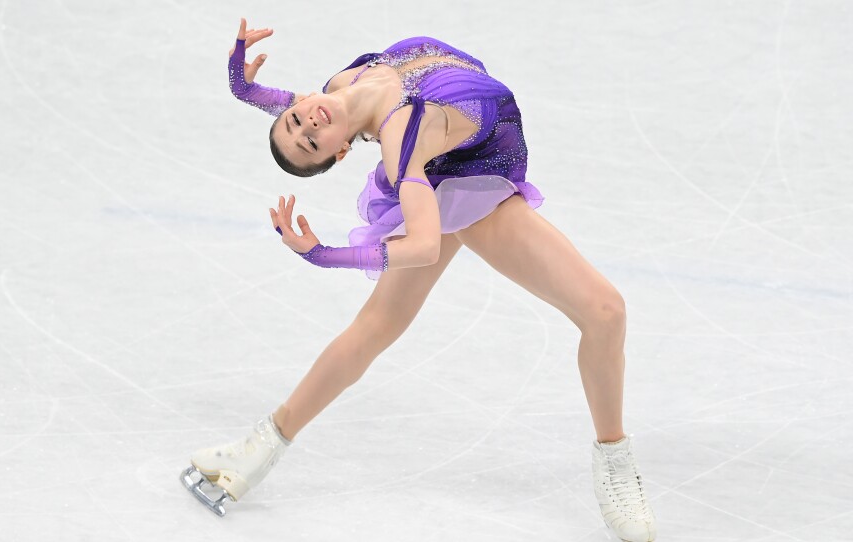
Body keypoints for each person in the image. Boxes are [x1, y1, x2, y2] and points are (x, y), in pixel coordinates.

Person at [180, 18, 657, 542]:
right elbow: (424, 245)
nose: (307, 124)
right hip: (469, 181)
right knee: (605, 312)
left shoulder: (342, 87)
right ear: (341, 151)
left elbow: (295, 104)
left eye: (297, 121)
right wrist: (324, 254)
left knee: (377, 326)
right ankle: (615, 464)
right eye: (311, 140)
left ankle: (258, 450)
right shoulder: (400, 136)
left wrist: (243, 87)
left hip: (456, 156)